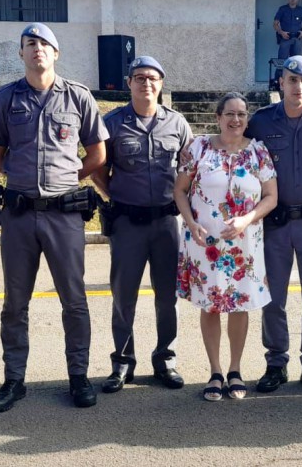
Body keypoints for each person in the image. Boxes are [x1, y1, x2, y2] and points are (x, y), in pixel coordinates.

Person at [0, 23, 108, 410]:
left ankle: (78, 377)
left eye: (44, 44)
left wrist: (67, 179)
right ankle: (14, 380)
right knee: (15, 302)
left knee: (74, 300)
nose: (37, 49)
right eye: (30, 44)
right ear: (21, 53)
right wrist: (23, 180)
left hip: (63, 215)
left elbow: (98, 155)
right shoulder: (6, 99)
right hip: (19, 214)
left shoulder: (79, 98)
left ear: (56, 53)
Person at [92, 56, 192, 394]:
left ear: (161, 83)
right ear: (129, 83)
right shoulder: (113, 122)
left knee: (167, 296)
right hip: (127, 223)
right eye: (138, 78)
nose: (145, 83)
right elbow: (97, 168)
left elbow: (189, 170)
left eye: (152, 78)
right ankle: (122, 362)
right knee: (124, 296)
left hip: (166, 222)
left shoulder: (177, 124)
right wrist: (115, 196)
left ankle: (165, 359)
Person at [175, 92, 276, 401]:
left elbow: (271, 196)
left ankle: (235, 370)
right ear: (217, 118)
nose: (236, 120)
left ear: (247, 120)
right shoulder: (199, 148)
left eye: (242, 115)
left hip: (244, 244)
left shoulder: (258, 152)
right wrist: (191, 223)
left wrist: (247, 218)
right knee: (211, 305)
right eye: (229, 114)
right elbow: (179, 190)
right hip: (205, 244)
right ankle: (215, 371)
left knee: (239, 306)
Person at [245, 56, 302, 396]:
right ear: (280, 83)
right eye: (291, 80)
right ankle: (276, 362)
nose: (297, 87)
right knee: (273, 296)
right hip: (276, 222)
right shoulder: (262, 121)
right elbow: (240, 152)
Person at [273, 0, 302, 64]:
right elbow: (275, 24)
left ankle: (293, 76)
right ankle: (280, 75)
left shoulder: (301, 10)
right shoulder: (282, 9)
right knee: (281, 62)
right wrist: (281, 32)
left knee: (296, 62)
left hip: (297, 38)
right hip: (285, 38)